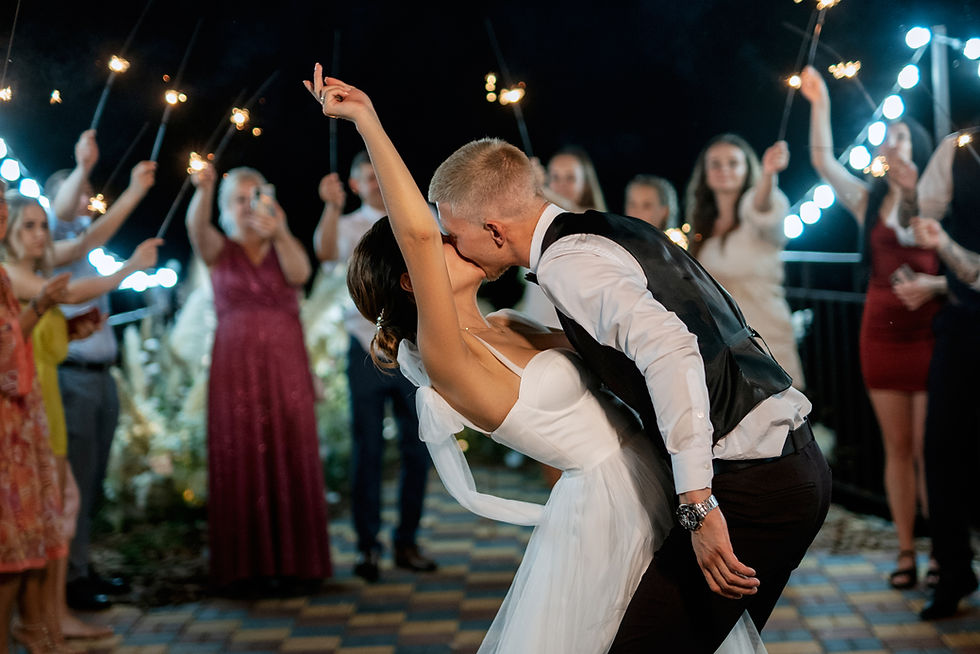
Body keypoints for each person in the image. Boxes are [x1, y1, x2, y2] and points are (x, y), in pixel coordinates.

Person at [305, 68, 766, 654]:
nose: (451, 238)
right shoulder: (450, 362)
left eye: (451, 234)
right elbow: (419, 233)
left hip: (650, 476)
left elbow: (622, 351)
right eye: (440, 242)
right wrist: (366, 119)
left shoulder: (507, 323)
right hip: (602, 511)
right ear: (412, 281)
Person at [391, 97, 833, 653]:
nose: (451, 245)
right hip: (785, 462)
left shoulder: (566, 263)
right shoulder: (603, 231)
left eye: (455, 233)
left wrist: (697, 502)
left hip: (756, 479)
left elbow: (672, 348)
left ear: (495, 230)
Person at [799, 65, 944, 590]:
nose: (894, 143)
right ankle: (906, 551)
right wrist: (819, 102)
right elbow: (820, 160)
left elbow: (963, 265)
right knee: (898, 448)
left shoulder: (941, 200)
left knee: (934, 449)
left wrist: (935, 288)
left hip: (933, 335)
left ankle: (941, 554)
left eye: (902, 134)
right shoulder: (866, 202)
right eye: (887, 138)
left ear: (921, 146)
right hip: (879, 333)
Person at [2, 190, 159, 641]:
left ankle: (51, 619)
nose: (38, 234)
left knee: (60, 512)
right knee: (48, 515)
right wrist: (127, 270)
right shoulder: (13, 276)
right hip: (30, 407)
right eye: (27, 226)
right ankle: (41, 624)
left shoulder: (34, 274)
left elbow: (41, 339)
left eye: (41, 225)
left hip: (43, 400)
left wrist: (69, 329)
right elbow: (70, 285)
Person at [185, 164, 331, 590]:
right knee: (240, 449)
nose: (248, 208)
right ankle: (245, 569)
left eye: (256, 197)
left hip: (285, 360)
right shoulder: (220, 247)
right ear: (227, 208)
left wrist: (282, 231)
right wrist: (206, 190)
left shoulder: (280, 244)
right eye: (240, 200)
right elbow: (197, 229)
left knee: (292, 447)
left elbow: (301, 274)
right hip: (235, 364)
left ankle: (297, 565)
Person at [45, 130, 157, 611]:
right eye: (75, 193)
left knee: (89, 484)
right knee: (73, 483)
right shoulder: (49, 237)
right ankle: (67, 583)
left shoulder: (86, 247)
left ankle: (81, 569)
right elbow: (71, 211)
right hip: (71, 379)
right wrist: (84, 166)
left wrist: (135, 189)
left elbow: (99, 227)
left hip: (100, 377)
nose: (84, 199)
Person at [313, 155, 436, 582]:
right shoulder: (348, 226)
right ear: (355, 183)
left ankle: (408, 540)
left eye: (377, 176)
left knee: (417, 447)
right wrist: (330, 207)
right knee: (367, 450)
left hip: (412, 346)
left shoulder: (412, 222)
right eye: (366, 177)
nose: (373, 183)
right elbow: (325, 254)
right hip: (362, 348)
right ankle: (367, 546)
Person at [898, 127, 980, 619]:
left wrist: (944, 245)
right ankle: (953, 571)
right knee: (940, 447)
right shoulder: (957, 147)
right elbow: (913, 224)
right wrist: (909, 192)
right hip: (964, 322)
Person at [0, 181, 75, 654]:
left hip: (22, 415)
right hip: (8, 420)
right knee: (11, 549)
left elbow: (12, 339)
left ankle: (41, 630)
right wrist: (43, 304)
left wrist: (49, 314)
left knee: (34, 540)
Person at [684, 134, 805, 391]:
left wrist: (769, 175)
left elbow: (762, 206)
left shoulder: (757, 222)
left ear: (748, 169)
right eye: (715, 164)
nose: (724, 169)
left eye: (733, 163)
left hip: (767, 344)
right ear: (705, 173)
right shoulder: (702, 231)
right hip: (723, 352)